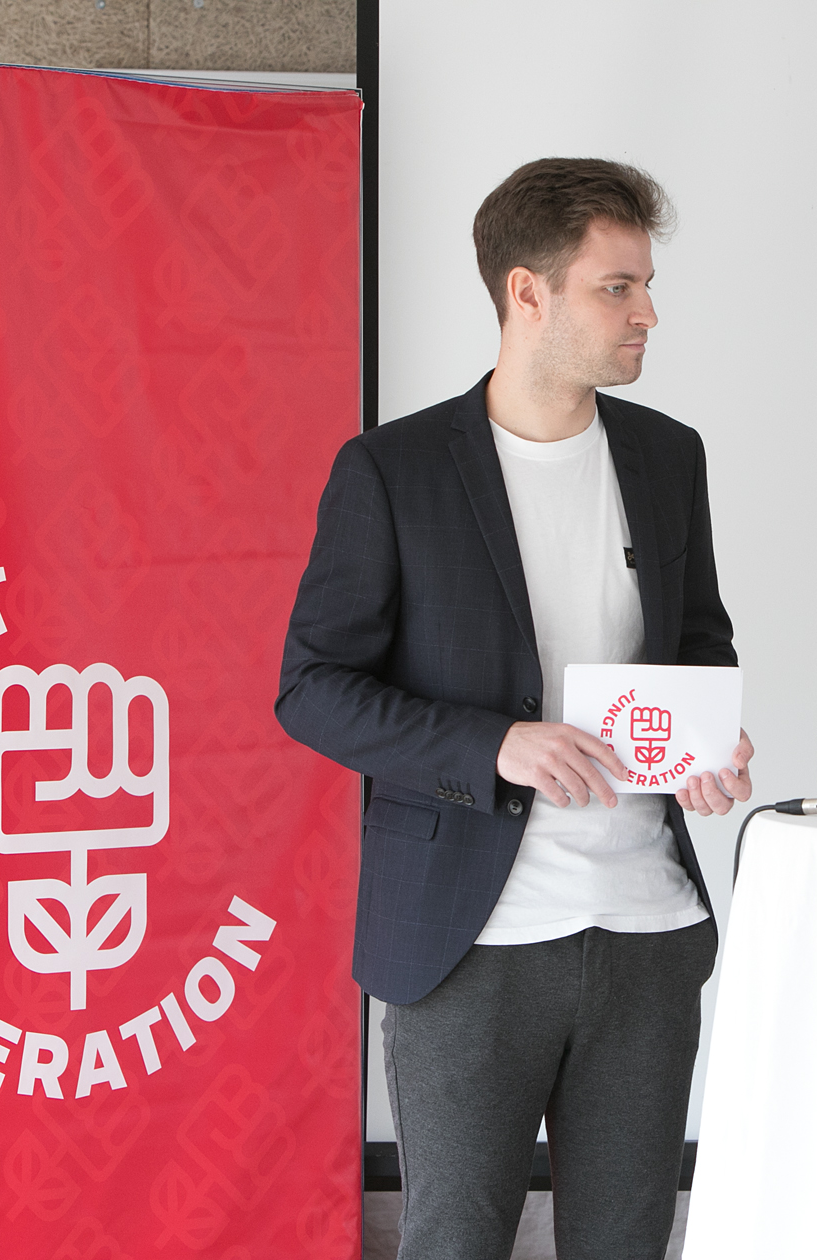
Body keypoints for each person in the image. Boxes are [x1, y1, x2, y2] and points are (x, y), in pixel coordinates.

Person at [276, 158, 753, 1260]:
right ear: (526, 293)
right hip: (469, 940)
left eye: (645, 285)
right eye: (617, 287)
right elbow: (313, 689)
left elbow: (698, 637)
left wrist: (702, 736)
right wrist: (493, 744)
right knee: (455, 1241)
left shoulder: (668, 457)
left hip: (646, 931)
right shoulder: (391, 471)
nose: (647, 312)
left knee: (627, 1243)